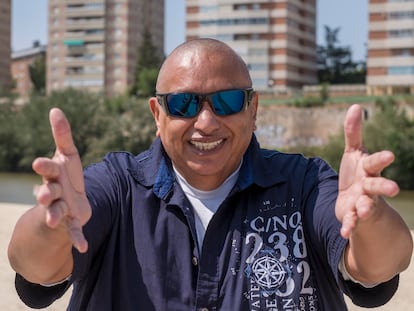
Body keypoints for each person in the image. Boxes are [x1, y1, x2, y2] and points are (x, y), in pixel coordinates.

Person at [8, 38, 413, 311]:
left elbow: (380, 266)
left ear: (253, 111)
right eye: (183, 104)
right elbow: (34, 268)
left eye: (227, 101)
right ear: (157, 114)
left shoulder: (304, 184)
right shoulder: (118, 185)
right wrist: (54, 227)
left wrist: (371, 218)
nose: (206, 122)